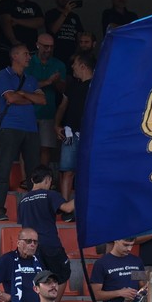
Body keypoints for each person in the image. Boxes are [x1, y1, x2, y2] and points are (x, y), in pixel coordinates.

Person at [0, 44, 46, 221]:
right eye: (25, 54)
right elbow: (10, 97)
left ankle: (34, 211)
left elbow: (42, 100)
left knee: (34, 171)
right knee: (4, 168)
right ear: (14, 56)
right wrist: (30, 98)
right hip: (10, 127)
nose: (29, 57)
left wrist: (23, 94)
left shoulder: (31, 79)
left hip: (31, 129)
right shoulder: (3, 75)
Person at [18, 167, 72, 286]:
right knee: (61, 276)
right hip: (50, 244)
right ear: (48, 180)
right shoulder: (50, 194)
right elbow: (68, 208)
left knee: (40, 281)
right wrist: (83, 195)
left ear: (32, 180)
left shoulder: (22, 201)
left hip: (31, 247)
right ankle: (54, 300)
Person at [54, 50, 94, 198]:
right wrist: (56, 125)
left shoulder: (97, 86)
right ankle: (65, 205)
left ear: (83, 66)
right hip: (70, 133)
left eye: (75, 64)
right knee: (67, 170)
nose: (72, 67)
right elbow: (62, 106)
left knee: (88, 170)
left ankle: (85, 205)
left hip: (90, 134)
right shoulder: (72, 85)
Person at [27, 33, 66, 168]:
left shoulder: (59, 64)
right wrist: (48, 81)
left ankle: (43, 177)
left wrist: (57, 82)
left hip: (48, 112)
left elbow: (63, 90)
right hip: (28, 112)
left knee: (46, 148)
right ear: (37, 45)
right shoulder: (28, 62)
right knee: (26, 148)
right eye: (45, 46)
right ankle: (25, 178)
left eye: (51, 47)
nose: (48, 49)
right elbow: (25, 86)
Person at [0, 0, 43, 68]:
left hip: (31, 52)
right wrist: (14, 41)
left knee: (30, 76)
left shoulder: (34, 6)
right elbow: (6, 22)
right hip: (10, 50)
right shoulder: (5, 4)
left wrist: (17, 21)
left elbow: (40, 22)